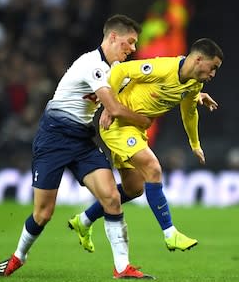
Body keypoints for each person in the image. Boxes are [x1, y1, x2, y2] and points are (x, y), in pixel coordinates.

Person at [0, 14, 155, 279]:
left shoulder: (115, 71)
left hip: (81, 139)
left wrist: (191, 94)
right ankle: (17, 258)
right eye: (130, 42)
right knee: (43, 214)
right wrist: (141, 120)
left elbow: (146, 84)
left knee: (112, 197)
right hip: (53, 137)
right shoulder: (93, 64)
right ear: (113, 37)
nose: (133, 49)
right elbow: (113, 105)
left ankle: (123, 267)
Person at [68, 38, 223, 253]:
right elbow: (121, 71)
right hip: (118, 124)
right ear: (198, 59)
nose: (214, 73)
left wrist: (195, 144)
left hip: (136, 129)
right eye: (213, 67)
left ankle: (83, 221)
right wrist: (109, 107)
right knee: (153, 168)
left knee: (134, 189)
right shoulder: (163, 68)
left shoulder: (195, 84)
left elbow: (189, 112)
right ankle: (170, 234)